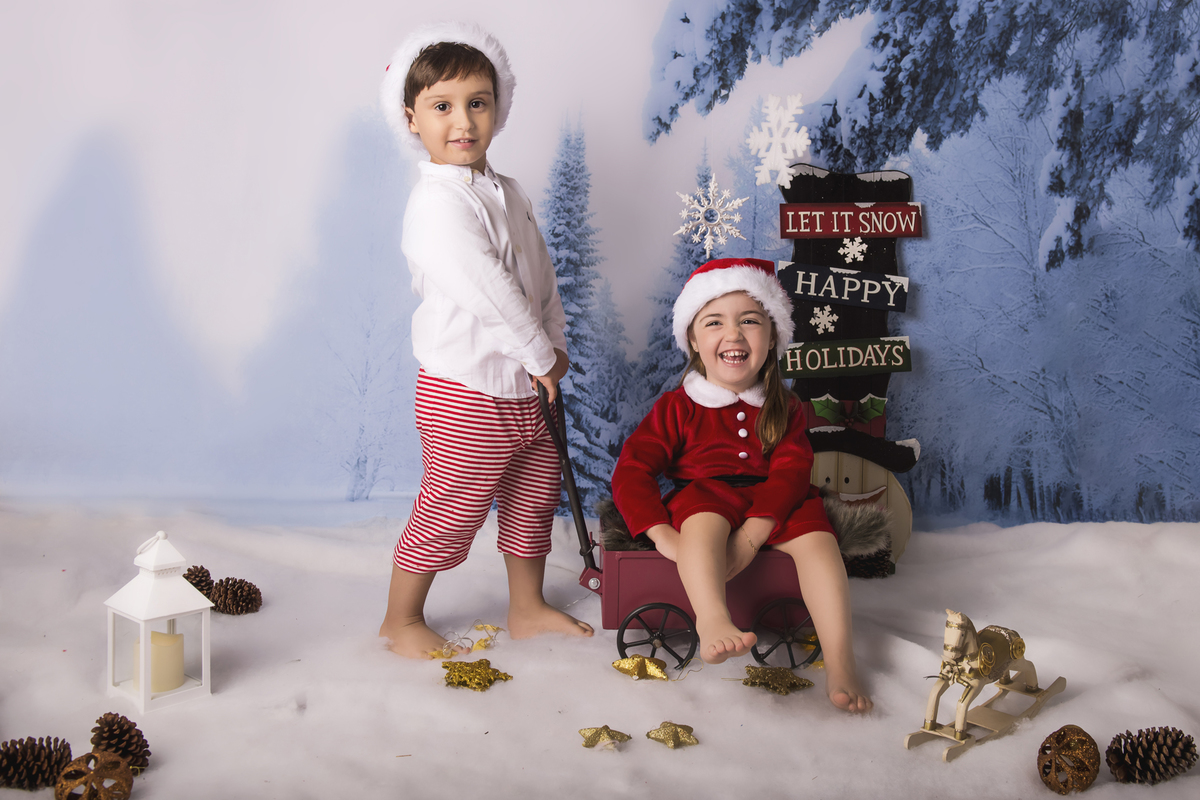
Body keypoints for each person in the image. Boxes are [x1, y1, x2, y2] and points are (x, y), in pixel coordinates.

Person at [377, 22, 593, 658]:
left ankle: (526, 606)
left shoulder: (509, 191)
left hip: (529, 387)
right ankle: (401, 618)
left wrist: (552, 346)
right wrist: (539, 354)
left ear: (498, 109)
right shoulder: (437, 205)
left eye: (478, 102)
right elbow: (490, 290)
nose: (463, 120)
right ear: (413, 119)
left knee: (532, 495)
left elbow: (538, 277)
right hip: (465, 390)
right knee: (452, 507)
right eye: (442, 106)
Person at [611, 258, 871, 712]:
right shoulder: (677, 407)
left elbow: (792, 470)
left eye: (749, 322)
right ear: (693, 339)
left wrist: (754, 534)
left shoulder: (784, 406)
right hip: (705, 495)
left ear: (771, 339)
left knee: (821, 546)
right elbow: (632, 469)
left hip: (778, 500)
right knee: (702, 524)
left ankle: (842, 660)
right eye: (715, 323)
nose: (733, 335)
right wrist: (662, 535)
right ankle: (712, 618)